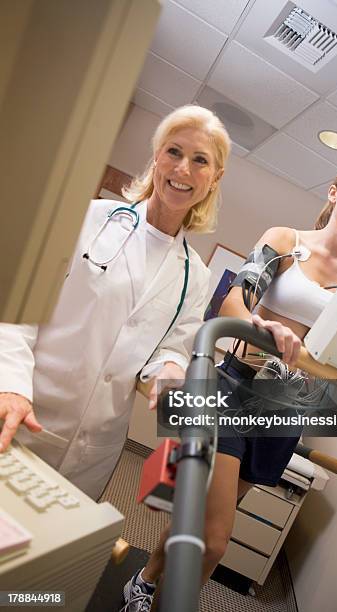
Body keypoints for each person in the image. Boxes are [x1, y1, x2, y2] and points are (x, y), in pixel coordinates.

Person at [122, 159, 337, 611]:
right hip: (232, 388)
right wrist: (262, 329)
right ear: (334, 193)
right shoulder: (285, 242)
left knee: (206, 516)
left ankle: (147, 578)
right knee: (214, 540)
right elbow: (234, 302)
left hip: (286, 410)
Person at [0, 104, 231, 501]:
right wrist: (10, 385)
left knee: (52, 549)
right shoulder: (87, 218)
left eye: (200, 161)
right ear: (156, 156)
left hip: (96, 446)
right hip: (24, 410)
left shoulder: (196, 275)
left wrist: (171, 373)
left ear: (214, 178)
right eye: (174, 152)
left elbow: (169, 349)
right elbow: (18, 307)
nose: (183, 170)